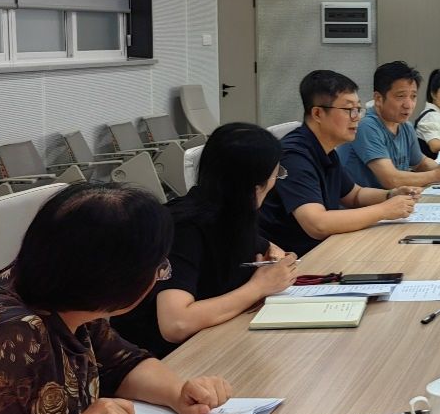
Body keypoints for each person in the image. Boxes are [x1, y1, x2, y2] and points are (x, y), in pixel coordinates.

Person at [0, 183, 233, 414]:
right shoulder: (5, 337)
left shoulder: (67, 296)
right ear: (119, 280)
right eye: (159, 267)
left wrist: (178, 393)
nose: (160, 274)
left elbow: (121, 363)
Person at [112, 123, 300, 358]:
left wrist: (274, 258)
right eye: (276, 174)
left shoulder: (229, 212)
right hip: (162, 358)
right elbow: (176, 324)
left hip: (213, 344)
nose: (275, 182)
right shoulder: (183, 228)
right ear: (255, 186)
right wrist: (258, 287)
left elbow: (269, 250)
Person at [259, 69, 419, 256]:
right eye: (348, 110)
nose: (356, 117)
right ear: (318, 113)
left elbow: (354, 195)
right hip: (294, 260)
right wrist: (384, 210)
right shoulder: (294, 155)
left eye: (358, 109)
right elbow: (317, 224)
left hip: (323, 249)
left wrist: (390, 195)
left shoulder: (325, 149)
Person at [338, 62, 440, 190]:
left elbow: (421, 163)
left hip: (392, 201)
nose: (408, 105)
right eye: (401, 96)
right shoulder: (366, 126)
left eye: (413, 96)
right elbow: (391, 180)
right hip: (362, 207)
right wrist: (438, 175)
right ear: (378, 98)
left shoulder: (405, 126)